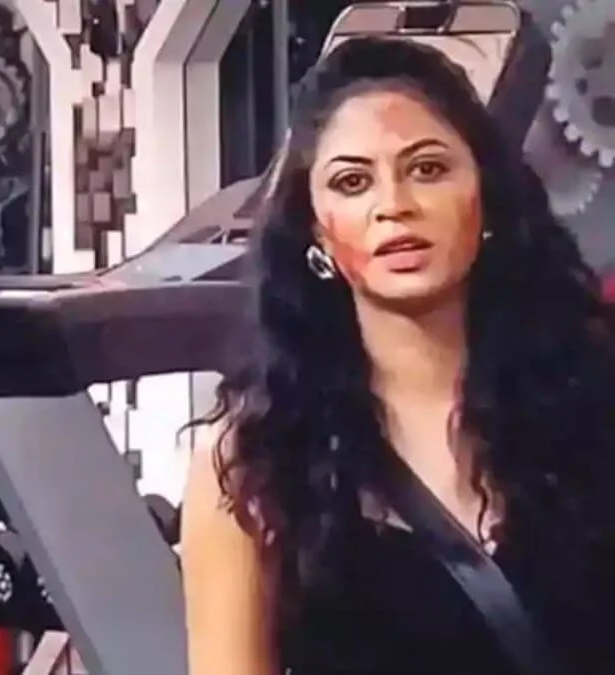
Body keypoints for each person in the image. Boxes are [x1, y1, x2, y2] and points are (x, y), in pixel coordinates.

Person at [181, 37, 615, 675]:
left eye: (428, 169)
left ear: (487, 197)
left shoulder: (595, 404)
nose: (395, 205)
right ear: (315, 229)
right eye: (353, 182)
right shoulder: (253, 465)